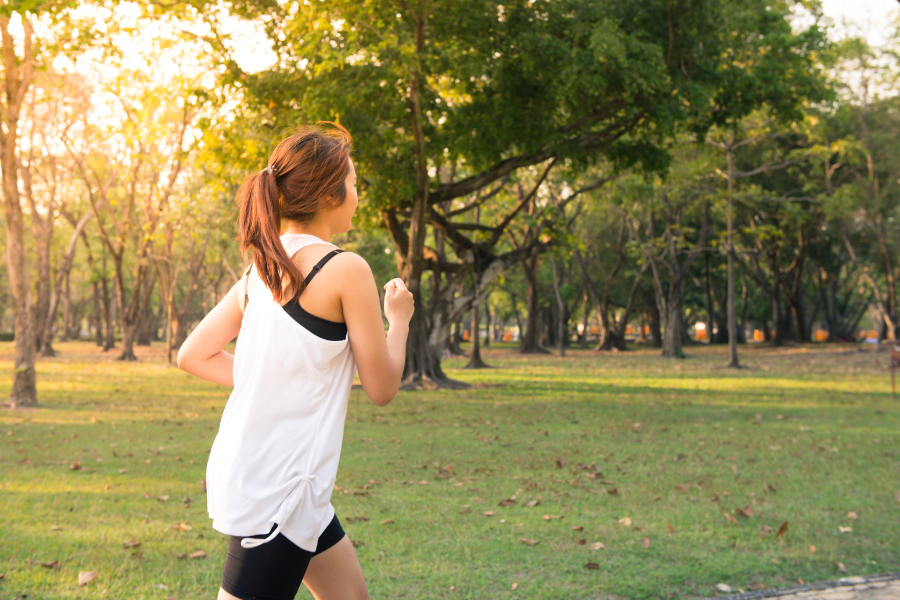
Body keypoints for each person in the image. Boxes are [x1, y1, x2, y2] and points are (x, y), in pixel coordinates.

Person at [177, 123, 414, 600]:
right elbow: (383, 387)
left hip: (289, 485)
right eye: (353, 183)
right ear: (329, 193)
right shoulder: (346, 269)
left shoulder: (261, 268)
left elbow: (193, 354)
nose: (357, 195)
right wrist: (400, 319)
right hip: (278, 492)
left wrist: (268, 381)